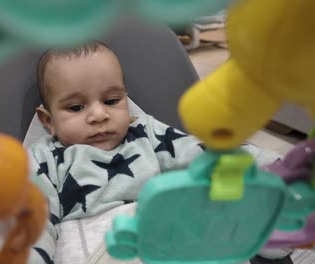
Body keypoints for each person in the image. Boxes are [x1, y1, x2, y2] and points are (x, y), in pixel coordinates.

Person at [27, 41, 280, 264]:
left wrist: (270, 165)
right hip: (98, 246)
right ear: (48, 121)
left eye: (112, 101)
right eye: (76, 107)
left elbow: (198, 151)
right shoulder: (44, 159)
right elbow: (33, 221)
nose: (99, 115)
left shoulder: (143, 132)